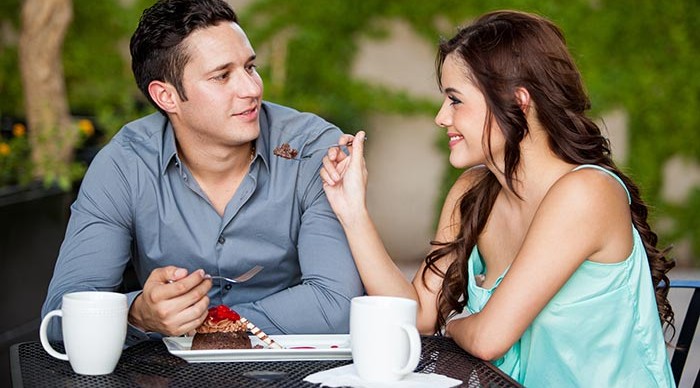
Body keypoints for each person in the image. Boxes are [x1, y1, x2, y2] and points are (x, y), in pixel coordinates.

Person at [321, 10, 675, 387]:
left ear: (519, 101)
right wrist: (352, 211)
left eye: (455, 100)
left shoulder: (586, 193)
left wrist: (455, 324)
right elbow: (419, 313)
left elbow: (489, 338)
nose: (441, 117)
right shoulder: (474, 192)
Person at [41, 0, 363, 345]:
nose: (252, 89)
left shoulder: (313, 149)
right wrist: (140, 313)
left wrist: (209, 324)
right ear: (167, 96)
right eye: (222, 76)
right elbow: (61, 317)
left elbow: (336, 305)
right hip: (167, 375)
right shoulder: (124, 165)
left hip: (288, 365)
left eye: (250, 67)